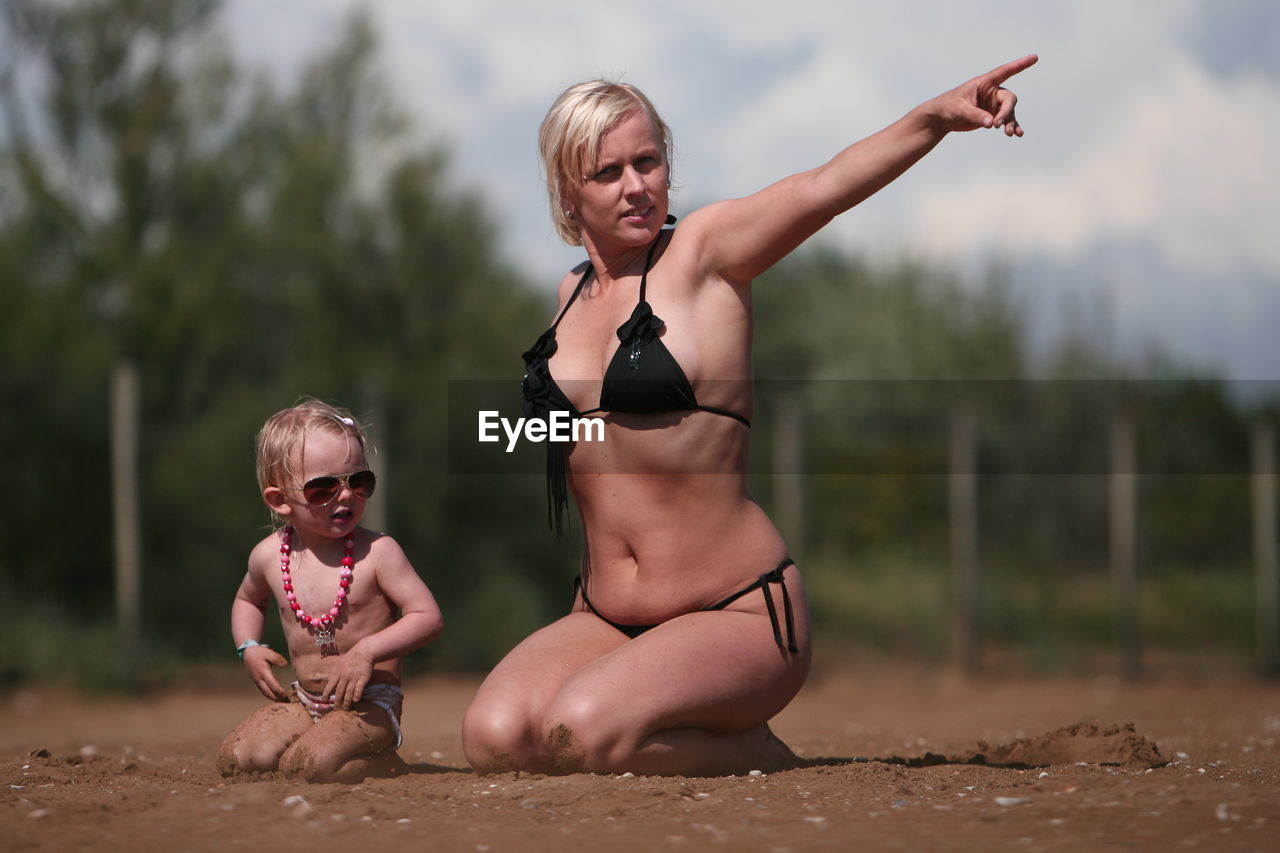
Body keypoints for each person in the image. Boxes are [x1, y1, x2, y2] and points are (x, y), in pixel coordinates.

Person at [462, 55, 1037, 777]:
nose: (637, 185)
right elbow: (581, 438)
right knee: (493, 734)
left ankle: (752, 746)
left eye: (648, 161)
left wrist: (936, 117)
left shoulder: (705, 253)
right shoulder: (568, 294)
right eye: (608, 172)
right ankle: (643, 705)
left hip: (735, 609)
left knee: (582, 731)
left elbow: (821, 188)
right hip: (604, 617)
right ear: (566, 193)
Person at [217, 399, 443, 782]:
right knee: (238, 758)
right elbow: (247, 599)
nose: (345, 496)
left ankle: (381, 762)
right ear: (280, 500)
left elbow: (428, 618)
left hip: (369, 705)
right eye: (322, 488)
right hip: (305, 701)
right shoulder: (269, 557)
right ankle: (324, 747)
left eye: (359, 482)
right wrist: (248, 647)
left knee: (309, 766)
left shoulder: (378, 553)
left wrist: (368, 651)